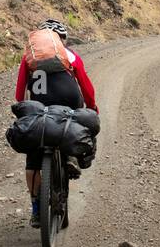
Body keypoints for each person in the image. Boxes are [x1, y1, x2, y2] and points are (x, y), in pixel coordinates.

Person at [13, 18, 97, 227]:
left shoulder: (29, 58)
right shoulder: (70, 55)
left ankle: (36, 209)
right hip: (69, 99)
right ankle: (71, 156)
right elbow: (85, 86)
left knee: (33, 161)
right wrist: (92, 106)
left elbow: (19, 93)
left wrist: (25, 111)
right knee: (74, 123)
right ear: (62, 40)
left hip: (40, 106)